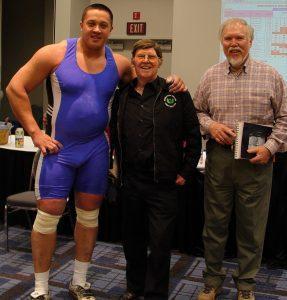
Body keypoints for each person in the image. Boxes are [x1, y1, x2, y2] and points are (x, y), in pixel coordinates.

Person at [5, 4, 185, 300]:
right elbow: (15, 87)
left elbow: (145, 81)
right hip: (59, 151)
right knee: (48, 217)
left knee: (89, 218)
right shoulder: (54, 53)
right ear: (81, 24)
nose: (96, 29)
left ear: (110, 29)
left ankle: (79, 282)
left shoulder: (119, 63)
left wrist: (175, 82)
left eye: (103, 24)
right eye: (91, 23)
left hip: (96, 152)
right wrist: (36, 133)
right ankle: (40, 288)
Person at [194, 18, 287, 300]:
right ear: (222, 42)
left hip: (256, 163)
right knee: (215, 226)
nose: (234, 44)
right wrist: (210, 126)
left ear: (250, 41)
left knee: (251, 228)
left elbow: (284, 118)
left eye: (239, 38)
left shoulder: (271, 75)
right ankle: (212, 281)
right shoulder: (210, 75)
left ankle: (246, 286)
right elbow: (197, 111)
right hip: (220, 161)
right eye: (228, 39)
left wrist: (270, 148)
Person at [110, 39, 202, 300]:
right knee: (133, 241)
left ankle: (155, 294)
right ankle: (134, 287)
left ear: (160, 61)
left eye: (151, 56)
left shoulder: (176, 93)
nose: (146, 61)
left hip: (164, 184)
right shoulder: (122, 95)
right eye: (141, 56)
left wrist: (186, 171)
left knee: (160, 244)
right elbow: (115, 135)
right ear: (133, 61)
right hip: (131, 183)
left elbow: (193, 135)